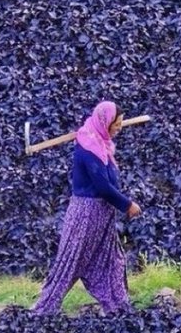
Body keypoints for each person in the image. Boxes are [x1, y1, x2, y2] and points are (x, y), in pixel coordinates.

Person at [31, 99, 142, 315]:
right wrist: (127, 205)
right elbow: (101, 185)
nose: (119, 128)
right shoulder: (88, 148)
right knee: (70, 263)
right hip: (86, 214)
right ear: (104, 123)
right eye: (116, 124)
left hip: (103, 214)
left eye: (120, 123)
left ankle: (117, 305)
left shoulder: (102, 144)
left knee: (112, 260)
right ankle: (43, 308)